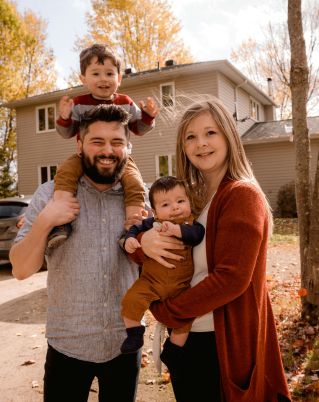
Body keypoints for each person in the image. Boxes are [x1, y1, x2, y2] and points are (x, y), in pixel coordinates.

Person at [135, 97, 292, 401]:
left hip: (218, 345)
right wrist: (143, 241)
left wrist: (166, 312)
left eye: (210, 133)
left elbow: (231, 279)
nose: (201, 144)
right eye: (190, 137)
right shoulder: (190, 200)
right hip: (189, 340)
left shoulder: (241, 195)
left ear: (228, 136)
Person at [10, 104, 144, 402]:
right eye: (97, 142)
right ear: (80, 144)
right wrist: (47, 219)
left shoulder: (140, 201)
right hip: (66, 345)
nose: (107, 151)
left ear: (128, 147)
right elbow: (20, 269)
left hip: (124, 345)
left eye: (117, 142)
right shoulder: (50, 195)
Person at [50, 43, 158, 248]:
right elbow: (67, 133)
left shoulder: (126, 102)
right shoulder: (79, 104)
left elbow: (138, 129)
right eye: (96, 73)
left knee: (135, 184)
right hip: (85, 157)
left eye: (109, 73)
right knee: (65, 174)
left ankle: (132, 229)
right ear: (83, 79)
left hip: (121, 160)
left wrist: (148, 116)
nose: (103, 79)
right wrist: (65, 117)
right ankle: (60, 222)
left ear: (119, 78)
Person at [121, 176, 205, 354]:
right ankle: (134, 333)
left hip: (181, 287)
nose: (175, 207)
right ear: (155, 212)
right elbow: (135, 228)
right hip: (150, 281)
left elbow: (197, 235)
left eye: (180, 201)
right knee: (130, 301)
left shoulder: (190, 223)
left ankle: (173, 349)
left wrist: (178, 230)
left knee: (185, 321)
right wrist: (130, 239)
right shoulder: (153, 223)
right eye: (165, 205)